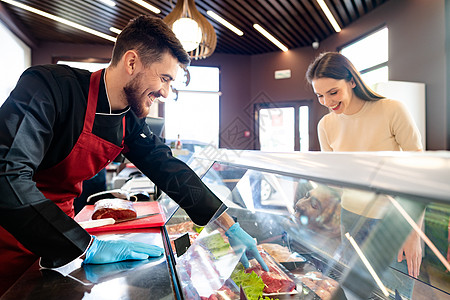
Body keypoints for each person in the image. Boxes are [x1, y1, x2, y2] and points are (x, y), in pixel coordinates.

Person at [0, 15, 267, 295]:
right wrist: (86, 245)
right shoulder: (49, 86)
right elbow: (6, 177)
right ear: (131, 62)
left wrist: (227, 225)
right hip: (11, 233)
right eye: (164, 78)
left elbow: (168, 169)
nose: (165, 92)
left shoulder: (128, 119)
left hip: (64, 235)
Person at [306, 52, 424, 298]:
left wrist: (413, 233)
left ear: (351, 81)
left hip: (393, 224)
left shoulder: (392, 110)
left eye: (333, 92)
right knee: (357, 294)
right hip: (350, 220)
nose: (327, 101)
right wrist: (314, 199)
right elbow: (335, 182)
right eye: (320, 95)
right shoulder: (326, 125)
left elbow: (419, 174)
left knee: (394, 295)